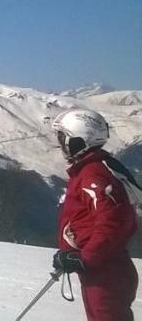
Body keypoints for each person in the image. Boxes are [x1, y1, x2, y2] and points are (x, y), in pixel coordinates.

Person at [51, 108, 139, 321]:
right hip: (101, 267)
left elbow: (113, 221)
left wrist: (85, 258)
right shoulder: (89, 169)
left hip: (106, 271)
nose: (61, 145)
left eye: (64, 139)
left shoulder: (94, 174)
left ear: (80, 141)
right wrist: (75, 255)